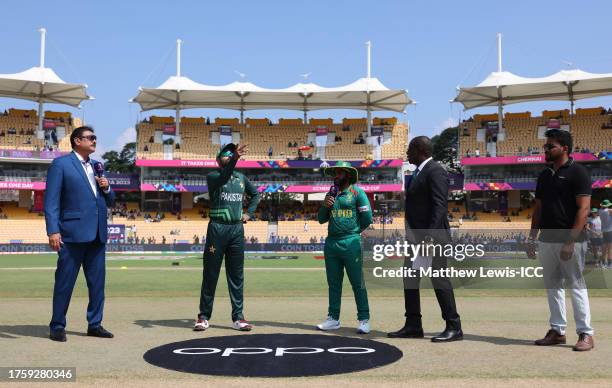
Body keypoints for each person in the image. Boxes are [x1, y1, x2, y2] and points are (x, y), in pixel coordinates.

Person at [44, 126, 115, 342]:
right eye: (90, 138)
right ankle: (57, 325)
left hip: (97, 234)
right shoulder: (61, 164)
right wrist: (53, 230)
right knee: (65, 282)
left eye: (95, 137)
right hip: (71, 234)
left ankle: (95, 324)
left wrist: (107, 188)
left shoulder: (98, 166)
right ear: (77, 140)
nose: (94, 141)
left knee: (97, 285)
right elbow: (51, 201)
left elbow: (110, 201)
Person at [388, 136, 463, 342]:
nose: (407, 153)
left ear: (420, 149)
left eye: (410, 149)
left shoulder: (436, 170)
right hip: (416, 239)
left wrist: (429, 237)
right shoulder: (418, 172)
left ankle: (454, 326)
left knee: (439, 279)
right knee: (410, 278)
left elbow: (440, 206)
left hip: (432, 238)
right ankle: (413, 325)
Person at [526, 129, 594, 351]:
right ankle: (557, 330)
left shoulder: (578, 172)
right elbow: (539, 208)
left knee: (575, 284)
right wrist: (531, 238)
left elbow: (584, 210)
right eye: (545, 146)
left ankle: (586, 333)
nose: (545, 150)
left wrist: (570, 241)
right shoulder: (545, 175)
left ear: (564, 148)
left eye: (550, 146)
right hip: (546, 238)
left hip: (570, 239)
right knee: (552, 286)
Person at [195, 143, 261, 332]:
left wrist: (249, 213)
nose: (230, 155)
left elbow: (256, 195)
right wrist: (235, 159)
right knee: (210, 274)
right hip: (217, 228)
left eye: (231, 154)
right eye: (226, 154)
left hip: (236, 230)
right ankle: (203, 316)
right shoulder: (214, 176)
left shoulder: (241, 178)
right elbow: (225, 175)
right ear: (218, 159)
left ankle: (238, 318)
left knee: (236, 275)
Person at [316, 161, 373, 334]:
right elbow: (321, 219)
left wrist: (354, 232)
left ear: (347, 175)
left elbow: (367, 218)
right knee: (333, 284)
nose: (335, 176)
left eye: (339, 173)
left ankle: (364, 320)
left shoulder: (358, 192)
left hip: (351, 243)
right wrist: (325, 205)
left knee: (358, 283)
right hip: (332, 243)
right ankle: (333, 319)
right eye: (335, 173)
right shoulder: (331, 193)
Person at [599, 199, 612, 268]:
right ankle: (610, 264)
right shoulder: (609, 211)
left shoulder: (600, 211)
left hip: (604, 231)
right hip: (610, 231)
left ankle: (603, 263)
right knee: (610, 249)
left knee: (604, 248)